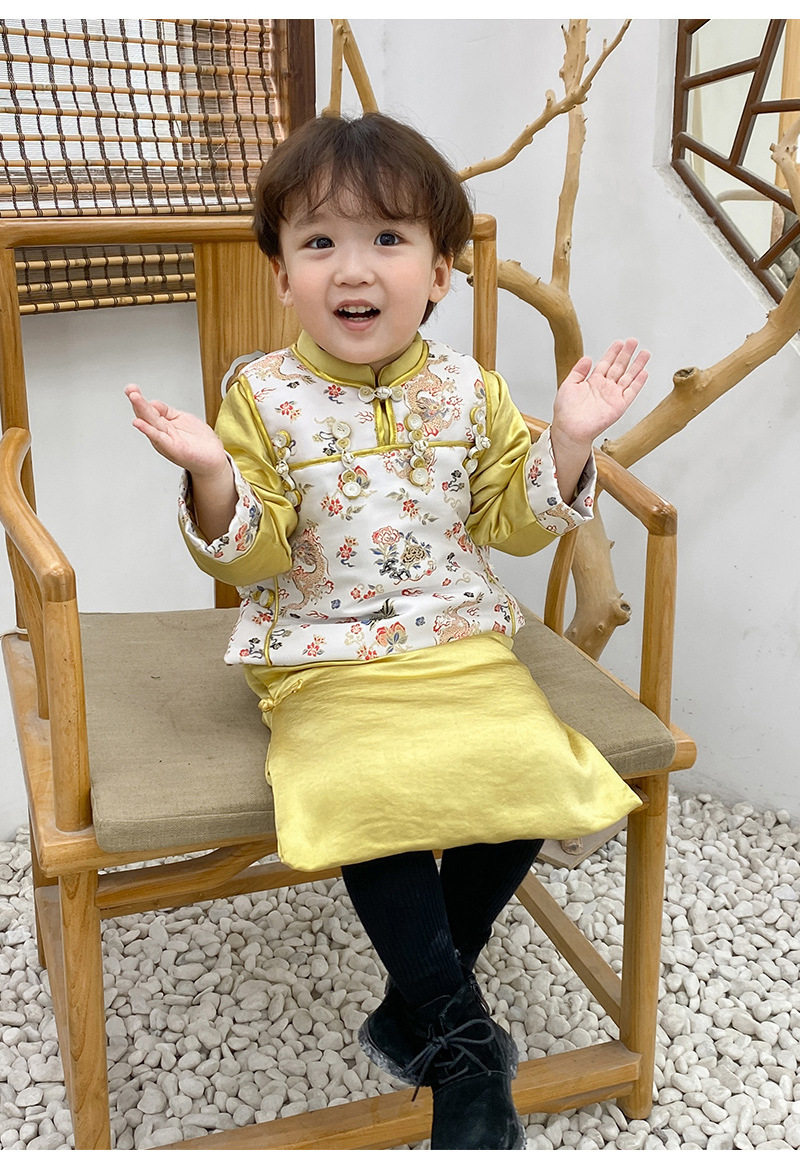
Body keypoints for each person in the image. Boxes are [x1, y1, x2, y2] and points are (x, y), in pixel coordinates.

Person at [126, 112, 649, 1151]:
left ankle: (414, 1008)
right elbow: (250, 556)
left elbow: (510, 521)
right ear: (282, 276)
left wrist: (567, 443)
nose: (352, 267)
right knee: (368, 790)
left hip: (458, 640)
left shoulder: (468, 389)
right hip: (321, 653)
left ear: (439, 273)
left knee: (530, 770)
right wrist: (213, 474)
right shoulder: (260, 396)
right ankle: (459, 1047)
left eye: (388, 238)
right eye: (318, 240)